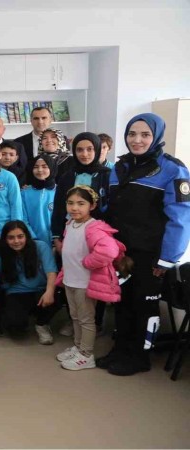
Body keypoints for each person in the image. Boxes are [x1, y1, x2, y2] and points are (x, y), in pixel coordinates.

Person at [100, 113, 190, 376]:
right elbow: (110, 208)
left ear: (156, 136)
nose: (137, 140)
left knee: (143, 305)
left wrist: (167, 259)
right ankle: (121, 349)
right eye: (131, 134)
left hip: (151, 255)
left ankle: (139, 357)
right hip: (121, 252)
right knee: (123, 302)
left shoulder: (172, 169)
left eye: (145, 134)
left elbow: (181, 218)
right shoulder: (120, 167)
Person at [55, 186, 127, 371]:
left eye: (81, 203)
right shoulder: (70, 223)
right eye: (70, 203)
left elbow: (109, 251)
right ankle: (78, 347)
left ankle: (86, 355)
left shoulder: (94, 227)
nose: (74, 208)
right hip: (70, 280)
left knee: (86, 319)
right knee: (75, 316)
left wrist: (88, 262)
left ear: (92, 205)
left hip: (84, 283)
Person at [0, 221, 60, 344]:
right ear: (5, 239)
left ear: (27, 236)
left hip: (41, 290)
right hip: (17, 292)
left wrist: (49, 292)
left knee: (60, 295)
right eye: (11, 238)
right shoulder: (3, 252)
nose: (16, 241)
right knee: (16, 329)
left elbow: (51, 272)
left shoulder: (40, 246)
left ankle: (42, 324)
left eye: (20, 236)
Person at [51, 133, 111, 252]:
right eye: (79, 150)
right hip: (70, 232)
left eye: (90, 149)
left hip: (99, 236)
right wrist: (57, 237)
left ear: (97, 150)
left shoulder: (107, 175)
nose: (84, 154)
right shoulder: (67, 177)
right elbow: (59, 208)